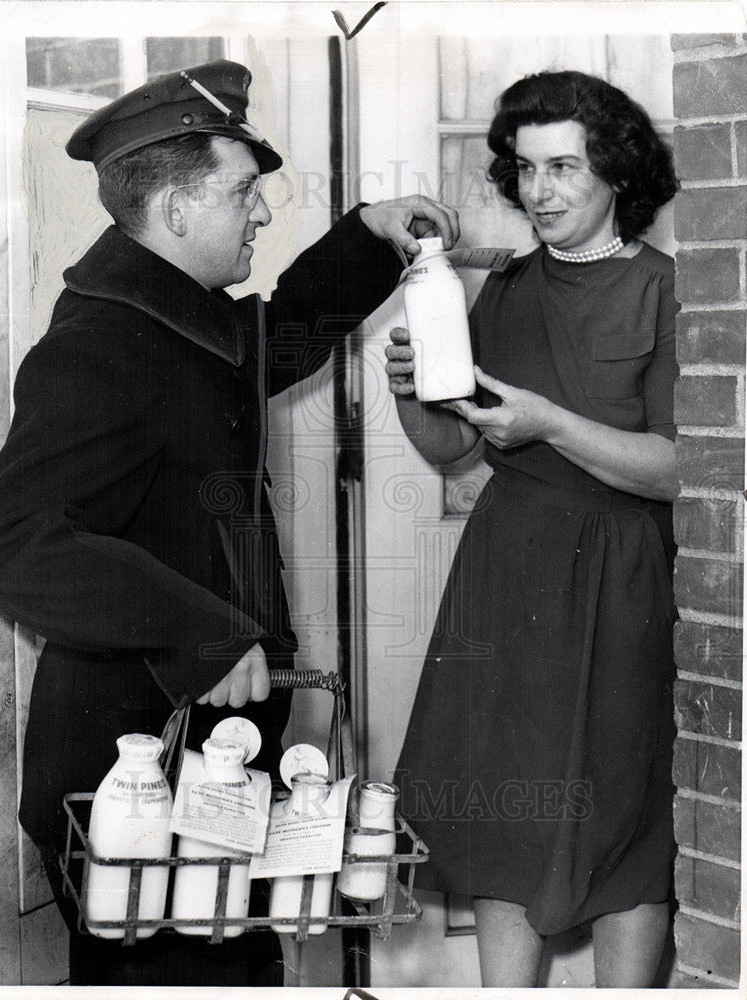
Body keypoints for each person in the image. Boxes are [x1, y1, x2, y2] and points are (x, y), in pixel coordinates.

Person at [0, 59, 458, 986]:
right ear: (176, 209)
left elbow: (270, 340)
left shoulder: (169, 321)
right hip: (131, 782)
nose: (264, 214)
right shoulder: (100, 345)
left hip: (196, 770)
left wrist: (369, 237)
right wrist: (204, 627)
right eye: (245, 193)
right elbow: (14, 548)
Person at [387, 70, 678, 988]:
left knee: (626, 808)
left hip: (623, 575)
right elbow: (448, 449)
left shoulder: (665, 290)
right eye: (524, 170)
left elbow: (686, 469)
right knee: (505, 812)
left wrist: (551, 423)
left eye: (563, 167)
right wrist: (411, 394)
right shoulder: (503, 287)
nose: (540, 192)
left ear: (617, 174)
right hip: (506, 572)